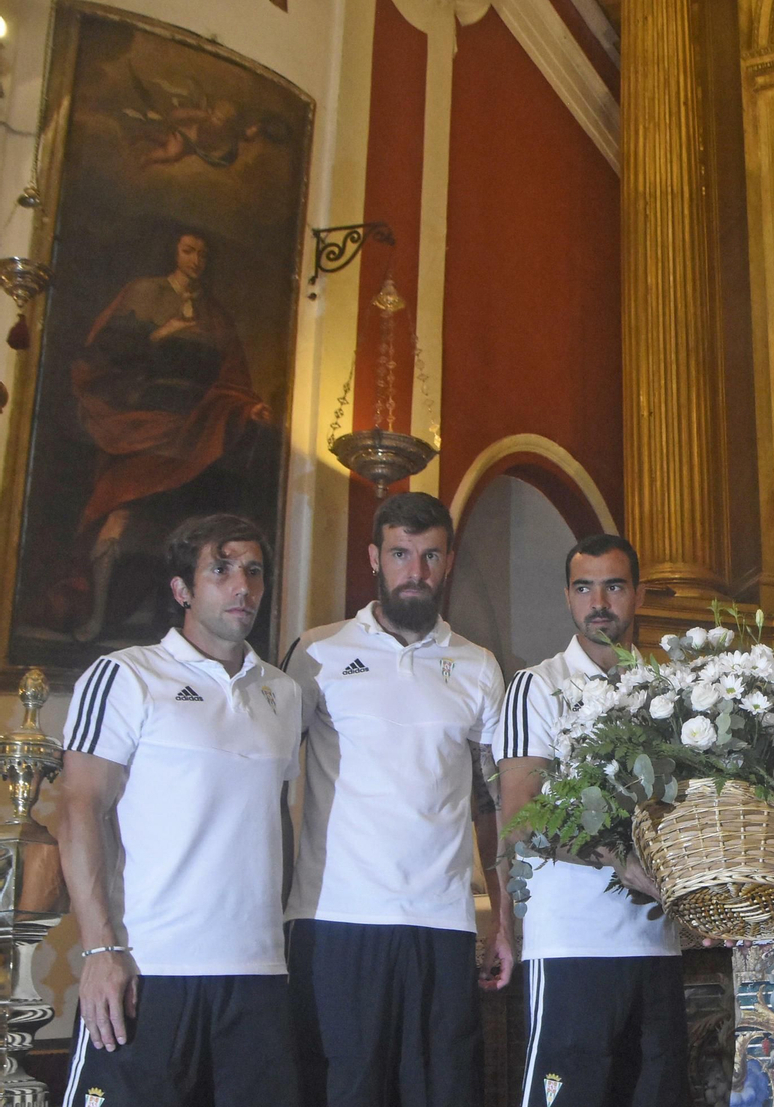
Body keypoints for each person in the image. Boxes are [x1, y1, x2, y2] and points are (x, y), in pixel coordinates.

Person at [58, 513, 301, 1107]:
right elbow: (79, 809)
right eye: (221, 570)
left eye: (254, 571)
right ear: (182, 589)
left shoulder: (282, 692)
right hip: (150, 967)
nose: (243, 586)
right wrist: (100, 950)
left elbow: (275, 818)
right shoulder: (126, 675)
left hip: (258, 973)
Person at [283, 491, 508, 1107]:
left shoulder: (478, 666)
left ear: (449, 561)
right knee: (341, 1092)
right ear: (374, 559)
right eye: (401, 554)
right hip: (335, 919)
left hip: (442, 923)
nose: (416, 571)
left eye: (430, 555)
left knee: (443, 1093)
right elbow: (267, 781)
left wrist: (504, 915)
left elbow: (494, 800)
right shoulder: (317, 652)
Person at [495, 534, 688, 1107]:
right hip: (572, 943)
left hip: (657, 942)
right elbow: (521, 819)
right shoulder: (538, 686)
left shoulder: (669, 692)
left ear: (638, 595)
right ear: (567, 596)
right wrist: (620, 862)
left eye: (613, 586)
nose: (598, 602)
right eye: (584, 588)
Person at [69, 230, 274, 642]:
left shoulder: (215, 315)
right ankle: (97, 616)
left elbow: (231, 377)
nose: (196, 260)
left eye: (203, 254)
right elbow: (106, 355)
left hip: (195, 433)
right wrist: (160, 335)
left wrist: (248, 408)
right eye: (188, 250)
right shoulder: (143, 293)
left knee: (183, 528)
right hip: (140, 423)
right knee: (120, 513)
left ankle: (167, 623)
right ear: (173, 252)